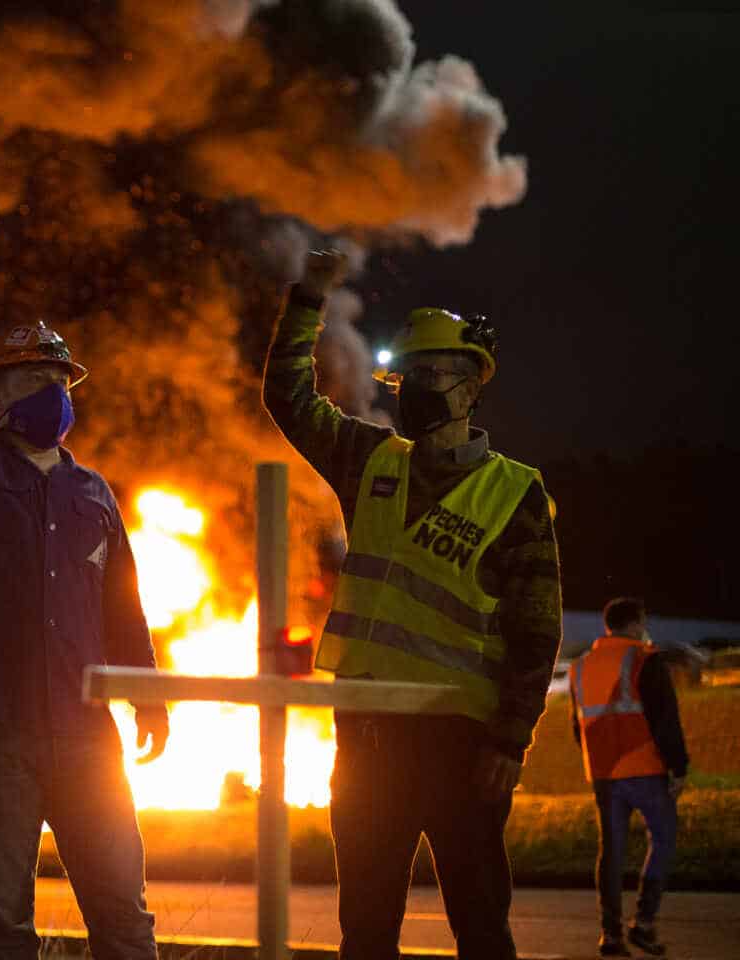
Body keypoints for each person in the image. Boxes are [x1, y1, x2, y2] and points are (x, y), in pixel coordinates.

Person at [252, 251, 563, 960]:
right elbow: (288, 398)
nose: (418, 388)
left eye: (434, 375)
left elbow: (535, 629)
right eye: (410, 375)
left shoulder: (514, 493)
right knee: (365, 931)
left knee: (481, 927)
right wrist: (310, 297)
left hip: (463, 744)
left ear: (471, 386)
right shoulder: (370, 460)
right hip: (366, 737)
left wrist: (510, 741)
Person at [0, 197, 169, 960]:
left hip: (88, 736)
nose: (51, 390)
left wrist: (147, 698)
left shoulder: (93, 494)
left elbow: (125, 608)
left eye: (59, 376)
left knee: (123, 916)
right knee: (5, 922)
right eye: (29, 379)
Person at [570, 598, 688, 957]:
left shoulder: (580, 667)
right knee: (664, 838)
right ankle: (645, 922)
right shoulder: (645, 660)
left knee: (612, 852)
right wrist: (678, 767)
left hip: (603, 774)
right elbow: (665, 719)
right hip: (645, 769)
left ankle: (611, 935)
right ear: (636, 622)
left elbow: (579, 728)